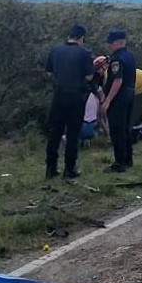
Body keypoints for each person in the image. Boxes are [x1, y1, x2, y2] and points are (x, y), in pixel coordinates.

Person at [44, 24, 94, 179]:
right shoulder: (84, 53)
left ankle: (51, 168)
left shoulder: (55, 50)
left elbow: (48, 72)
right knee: (73, 134)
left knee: (55, 133)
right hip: (76, 97)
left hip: (59, 95)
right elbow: (89, 77)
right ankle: (69, 169)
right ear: (81, 38)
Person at [102, 29, 137, 173]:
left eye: (110, 42)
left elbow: (117, 80)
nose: (109, 45)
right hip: (130, 93)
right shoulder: (129, 55)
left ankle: (119, 163)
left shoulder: (117, 58)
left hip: (119, 96)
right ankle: (128, 160)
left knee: (117, 130)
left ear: (117, 42)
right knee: (126, 128)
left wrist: (108, 100)